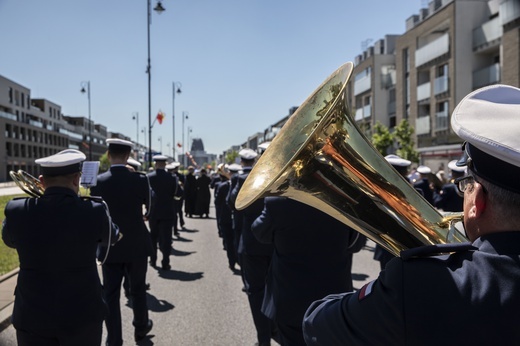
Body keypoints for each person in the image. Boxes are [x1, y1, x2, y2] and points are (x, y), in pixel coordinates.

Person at [303, 84, 520, 345]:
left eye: (466, 187)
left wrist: (395, 285)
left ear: (479, 200)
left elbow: (316, 324)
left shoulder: (420, 284)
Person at [2, 149, 120, 346]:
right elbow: (114, 236)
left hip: (32, 315)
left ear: (41, 180)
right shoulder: (95, 211)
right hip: (83, 316)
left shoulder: (17, 210)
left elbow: (8, 240)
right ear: (76, 179)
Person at [252, 197, 366, 346]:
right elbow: (355, 244)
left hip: (289, 296)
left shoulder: (276, 203)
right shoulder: (346, 203)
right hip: (334, 296)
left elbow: (259, 233)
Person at [90, 139, 154, 345]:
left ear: (108, 155)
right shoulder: (140, 179)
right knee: (138, 289)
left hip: (110, 245)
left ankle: (114, 338)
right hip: (136, 243)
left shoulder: (98, 181)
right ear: (129, 156)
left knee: (110, 294)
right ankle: (141, 327)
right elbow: (149, 207)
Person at [229, 148, 276, 346]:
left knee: (256, 291)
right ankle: (275, 329)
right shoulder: (279, 177)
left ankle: (263, 338)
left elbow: (233, 204)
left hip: (252, 244)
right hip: (275, 244)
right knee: (276, 289)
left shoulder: (241, 180)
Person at [147, 155, 180, 270]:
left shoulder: (148, 177)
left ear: (155, 164)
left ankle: (153, 259)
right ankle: (165, 262)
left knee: (153, 236)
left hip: (153, 212)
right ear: (165, 164)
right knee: (166, 238)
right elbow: (178, 194)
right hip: (167, 212)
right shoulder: (172, 178)